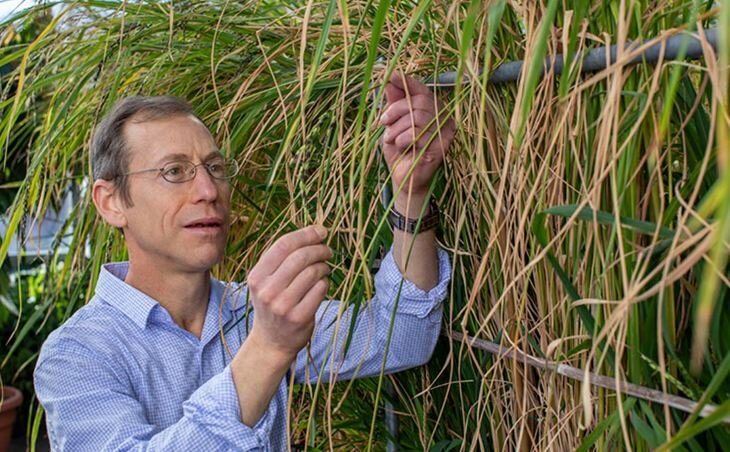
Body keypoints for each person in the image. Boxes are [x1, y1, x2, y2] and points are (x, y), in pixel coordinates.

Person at [34, 74, 456, 450]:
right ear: (110, 203)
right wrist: (269, 348)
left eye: (215, 167)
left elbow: (403, 336)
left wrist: (411, 193)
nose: (208, 190)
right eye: (174, 171)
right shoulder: (77, 354)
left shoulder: (251, 312)